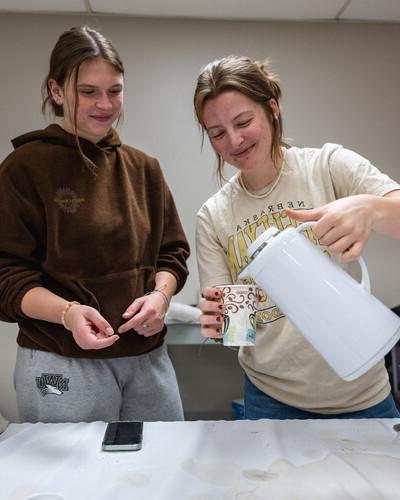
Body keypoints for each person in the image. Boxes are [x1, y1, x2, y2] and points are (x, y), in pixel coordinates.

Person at [0, 26, 190, 423]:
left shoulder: (144, 168)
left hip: (146, 358)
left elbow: (171, 254)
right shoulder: (24, 168)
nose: (105, 104)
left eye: (115, 90)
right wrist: (69, 314)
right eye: (88, 92)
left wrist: (161, 297)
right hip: (61, 360)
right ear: (56, 91)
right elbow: (7, 275)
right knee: (73, 482)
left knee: (161, 470)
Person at [194, 55, 400, 419]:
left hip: (363, 394)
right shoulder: (214, 216)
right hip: (272, 400)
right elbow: (235, 332)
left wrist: (371, 209)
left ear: (272, 108)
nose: (235, 140)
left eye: (243, 121)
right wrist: (220, 323)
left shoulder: (328, 167)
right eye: (218, 133)